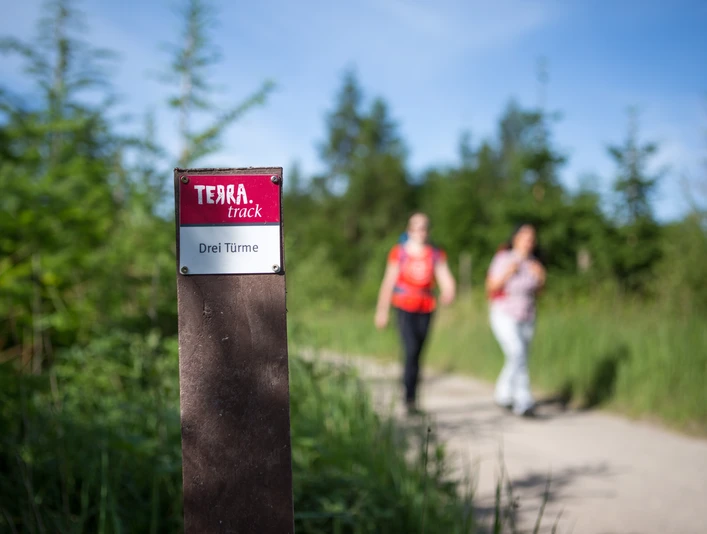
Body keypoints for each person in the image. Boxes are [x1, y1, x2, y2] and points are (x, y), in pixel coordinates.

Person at [375, 213, 456, 415]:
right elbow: (388, 282)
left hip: (426, 307)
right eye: (417, 227)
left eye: (425, 227)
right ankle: (408, 398)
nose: (421, 231)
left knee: (418, 353)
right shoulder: (399, 252)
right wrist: (382, 311)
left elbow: (445, 277)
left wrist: (449, 291)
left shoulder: (435, 253)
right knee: (410, 350)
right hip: (403, 306)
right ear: (409, 230)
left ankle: (412, 398)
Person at [485, 223, 546, 417]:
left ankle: (503, 394)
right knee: (517, 352)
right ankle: (524, 400)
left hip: (527, 313)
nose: (529, 242)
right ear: (516, 238)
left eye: (532, 238)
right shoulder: (503, 258)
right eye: (525, 237)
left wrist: (541, 278)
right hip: (503, 312)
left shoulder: (534, 263)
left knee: (519, 356)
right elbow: (491, 287)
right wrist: (508, 273)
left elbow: (539, 292)